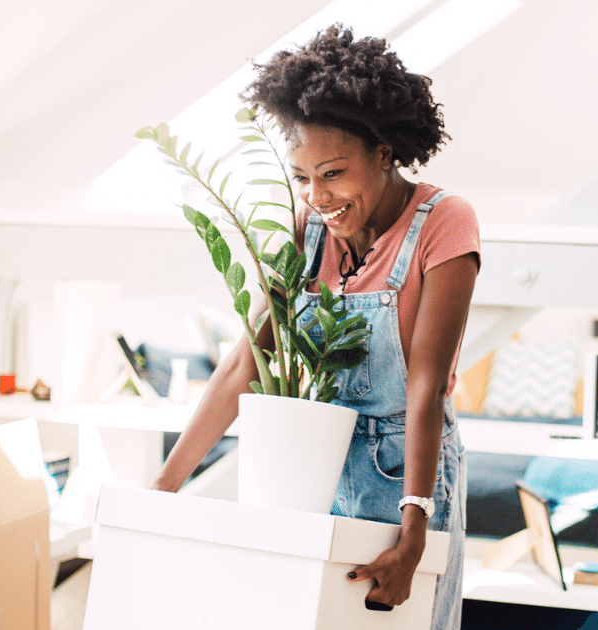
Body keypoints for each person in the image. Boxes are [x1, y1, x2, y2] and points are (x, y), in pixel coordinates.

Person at [152, 24, 480, 630]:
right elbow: (244, 363)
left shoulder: (445, 222)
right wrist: (162, 490)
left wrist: (414, 531)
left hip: (402, 471)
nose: (316, 195)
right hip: (312, 467)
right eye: (302, 177)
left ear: (383, 152)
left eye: (332, 173)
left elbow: (426, 386)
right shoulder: (308, 230)